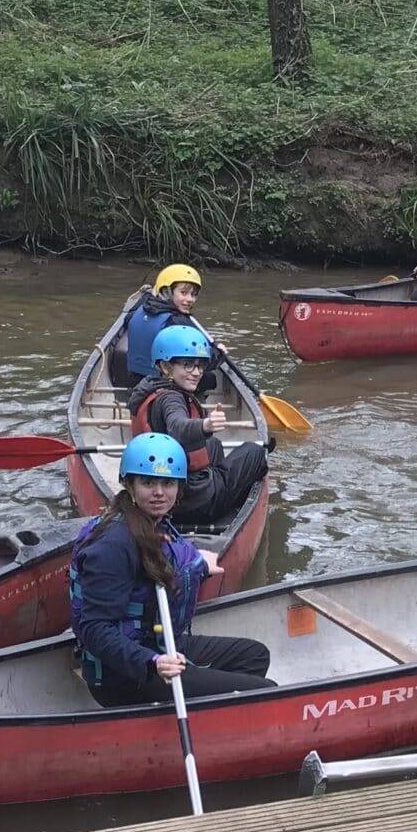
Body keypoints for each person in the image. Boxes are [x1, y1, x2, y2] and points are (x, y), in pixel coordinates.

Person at [70, 435, 272, 708]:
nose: (159, 492)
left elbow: (165, 564)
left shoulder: (152, 522)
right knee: (266, 692)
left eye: (168, 483)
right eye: (148, 482)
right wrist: (153, 662)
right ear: (129, 483)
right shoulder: (114, 544)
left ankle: (207, 711)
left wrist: (199, 565)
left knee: (254, 656)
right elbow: (93, 629)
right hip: (125, 675)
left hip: (157, 643)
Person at [128, 325, 270, 530]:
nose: (196, 373)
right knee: (255, 452)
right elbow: (178, 426)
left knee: (212, 444)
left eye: (200, 365)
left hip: (170, 490)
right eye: (187, 365)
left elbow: (180, 429)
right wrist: (205, 424)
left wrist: (217, 356)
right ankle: (221, 502)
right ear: (166, 367)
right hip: (192, 504)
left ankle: (218, 483)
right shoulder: (171, 400)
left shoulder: (150, 386)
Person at [121, 263, 226, 383]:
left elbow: (127, 321)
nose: (190, 299)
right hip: (162, 383)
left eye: (193, 294)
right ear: (167, 292)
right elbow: (203, 360)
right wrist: (220, 353)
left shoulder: (142, 307)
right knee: (210, 379)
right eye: (183, 293)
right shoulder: (177, 323)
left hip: (134, 379)